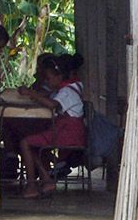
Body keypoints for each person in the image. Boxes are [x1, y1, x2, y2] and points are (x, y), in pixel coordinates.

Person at [16, 55, 86, 198]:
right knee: (30, 143)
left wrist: (31, 94)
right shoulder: (74, 85)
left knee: (25, 142)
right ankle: (46, 179)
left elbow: (53, 104)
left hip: (69, 135)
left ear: (59, 76)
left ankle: (31, 185)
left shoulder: (67, 91)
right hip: (67, 132)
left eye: (48, 78)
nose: (47, 82)